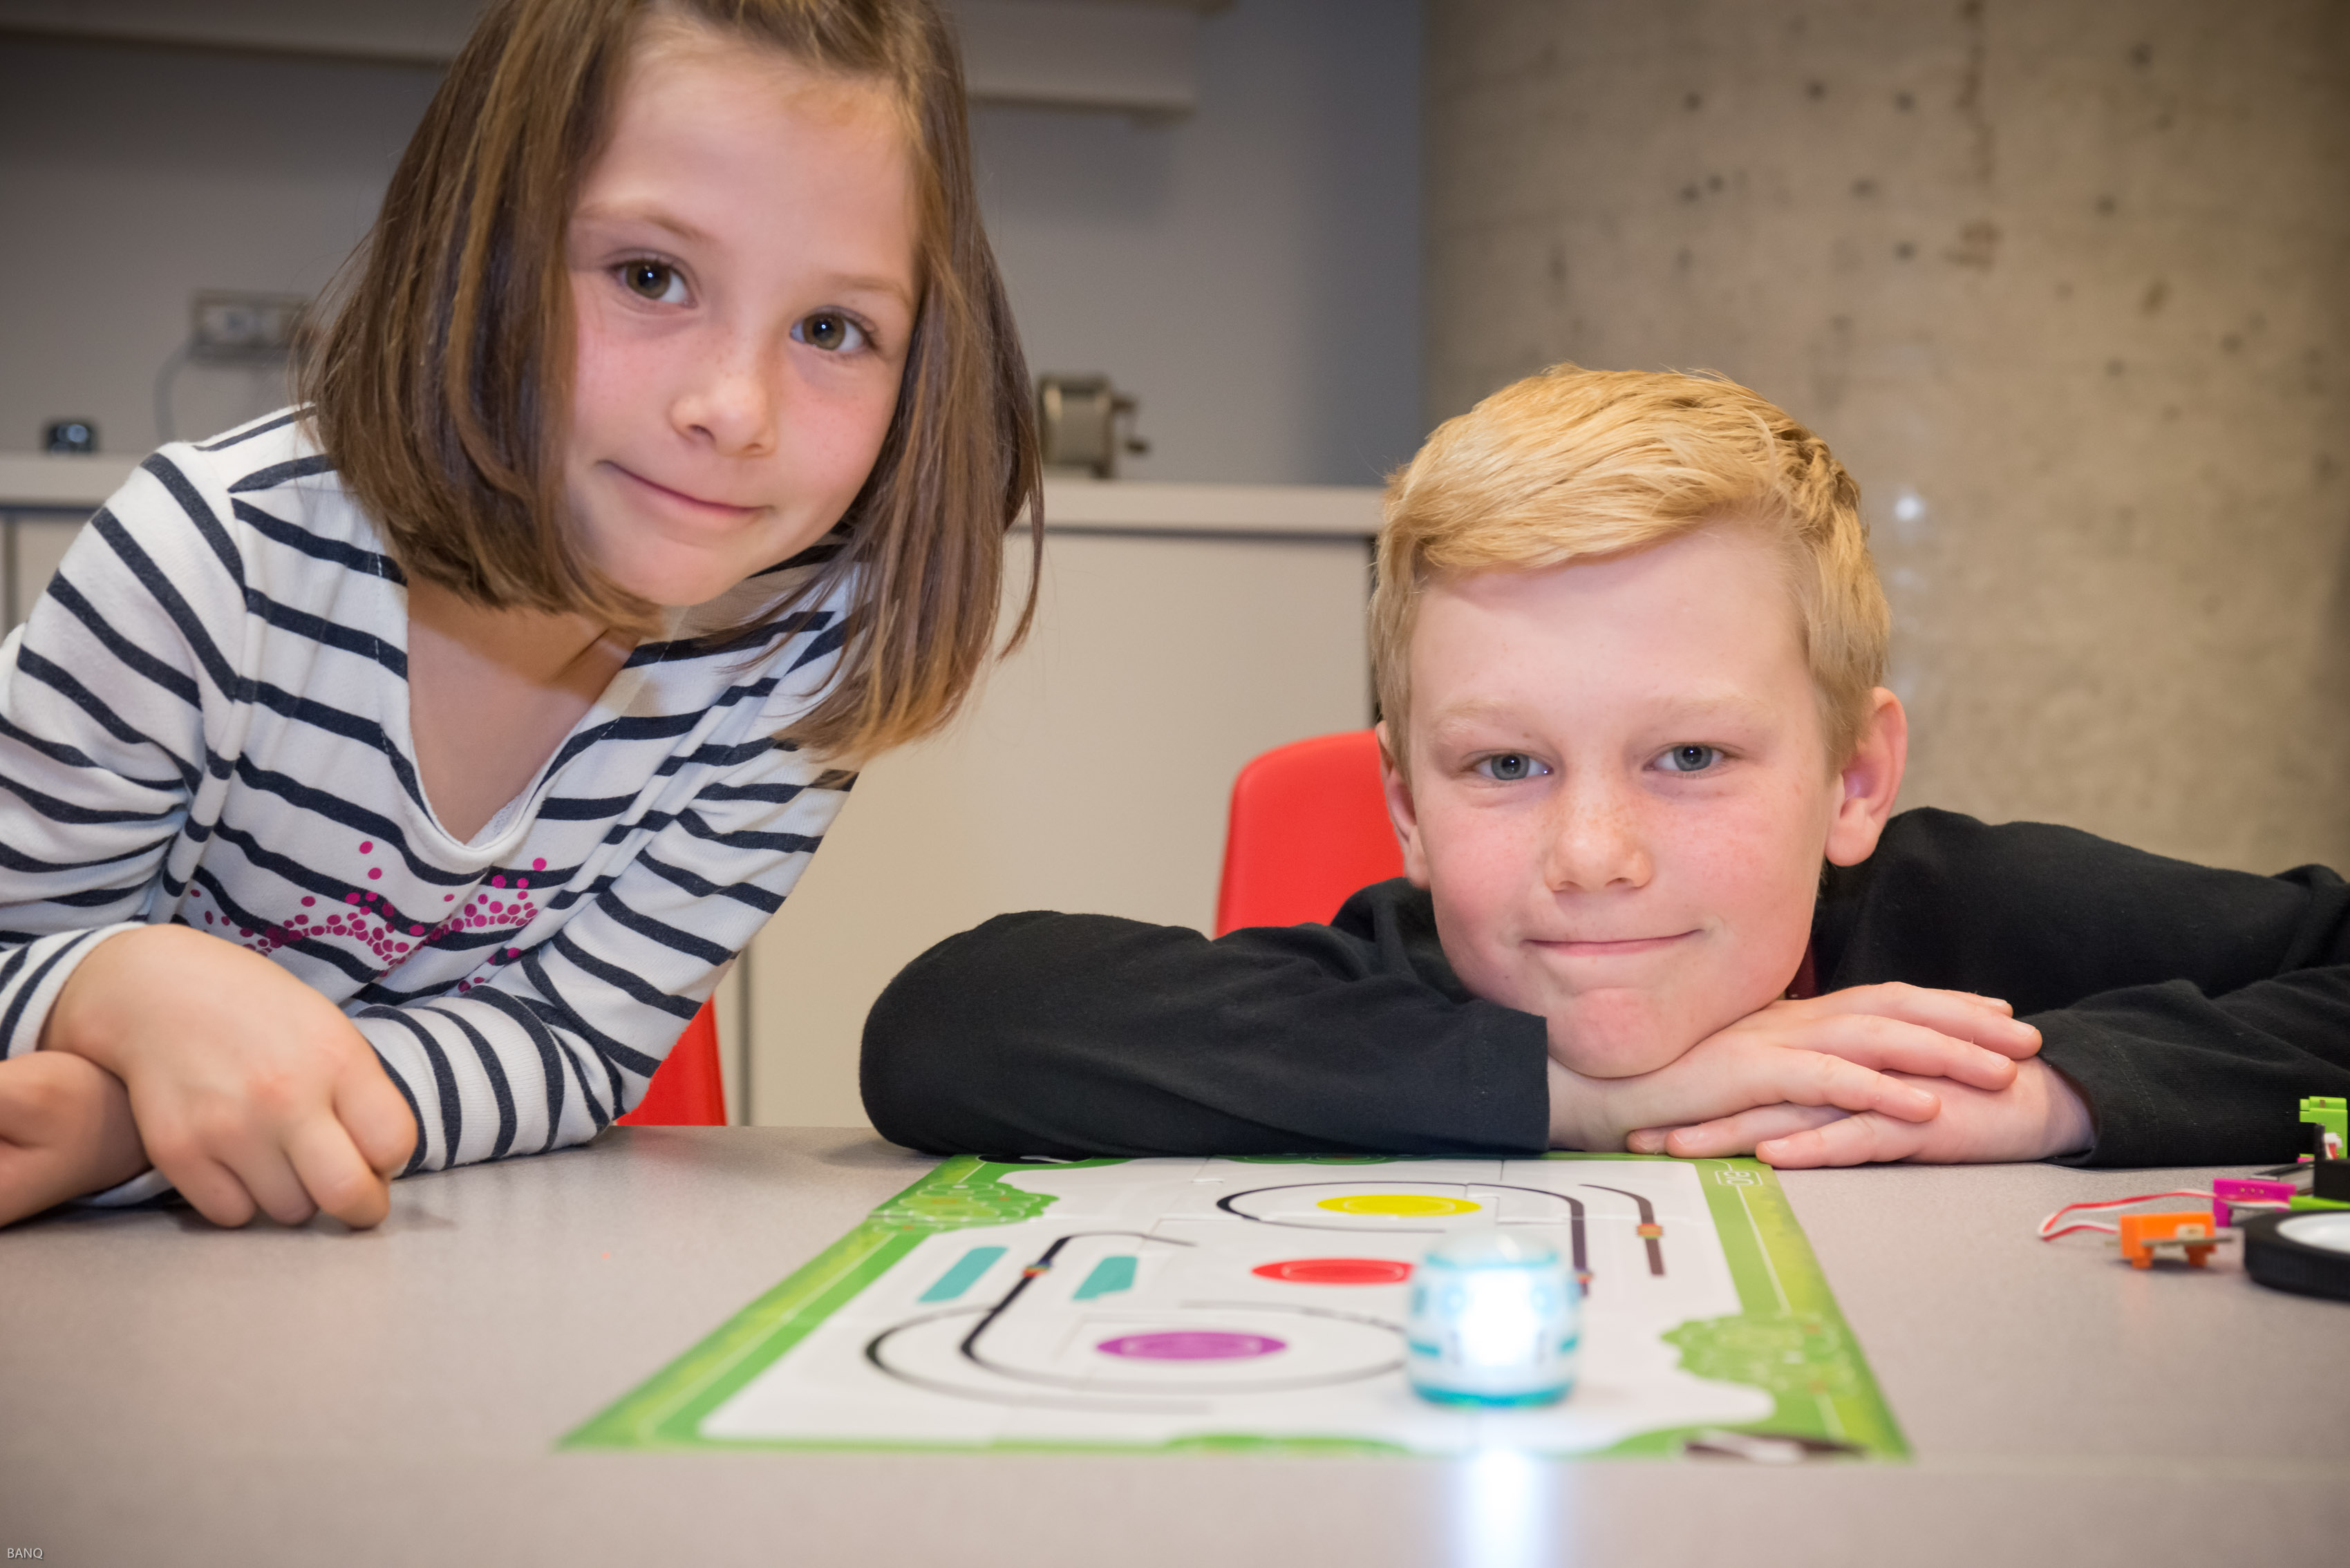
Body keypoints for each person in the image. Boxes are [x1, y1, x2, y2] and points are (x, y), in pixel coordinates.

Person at [0, 0, 1037, 1229]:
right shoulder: (205, 563)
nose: (733, 406)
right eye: (651, 276)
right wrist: (125, 986)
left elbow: (570, 1042)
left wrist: (154, 1123)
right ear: (474, 249)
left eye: (832, 328)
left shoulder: (798, 656)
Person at [861, 366, 2350, 1169]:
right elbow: (948, 1026)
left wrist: (2061, 1095)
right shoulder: (1405, 982)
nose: (1589, 853)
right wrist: (1574, 1094)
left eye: (1688, 754)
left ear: (1850, 779)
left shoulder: (1970, 932)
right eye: (1504, 764)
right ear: (1405, 810)